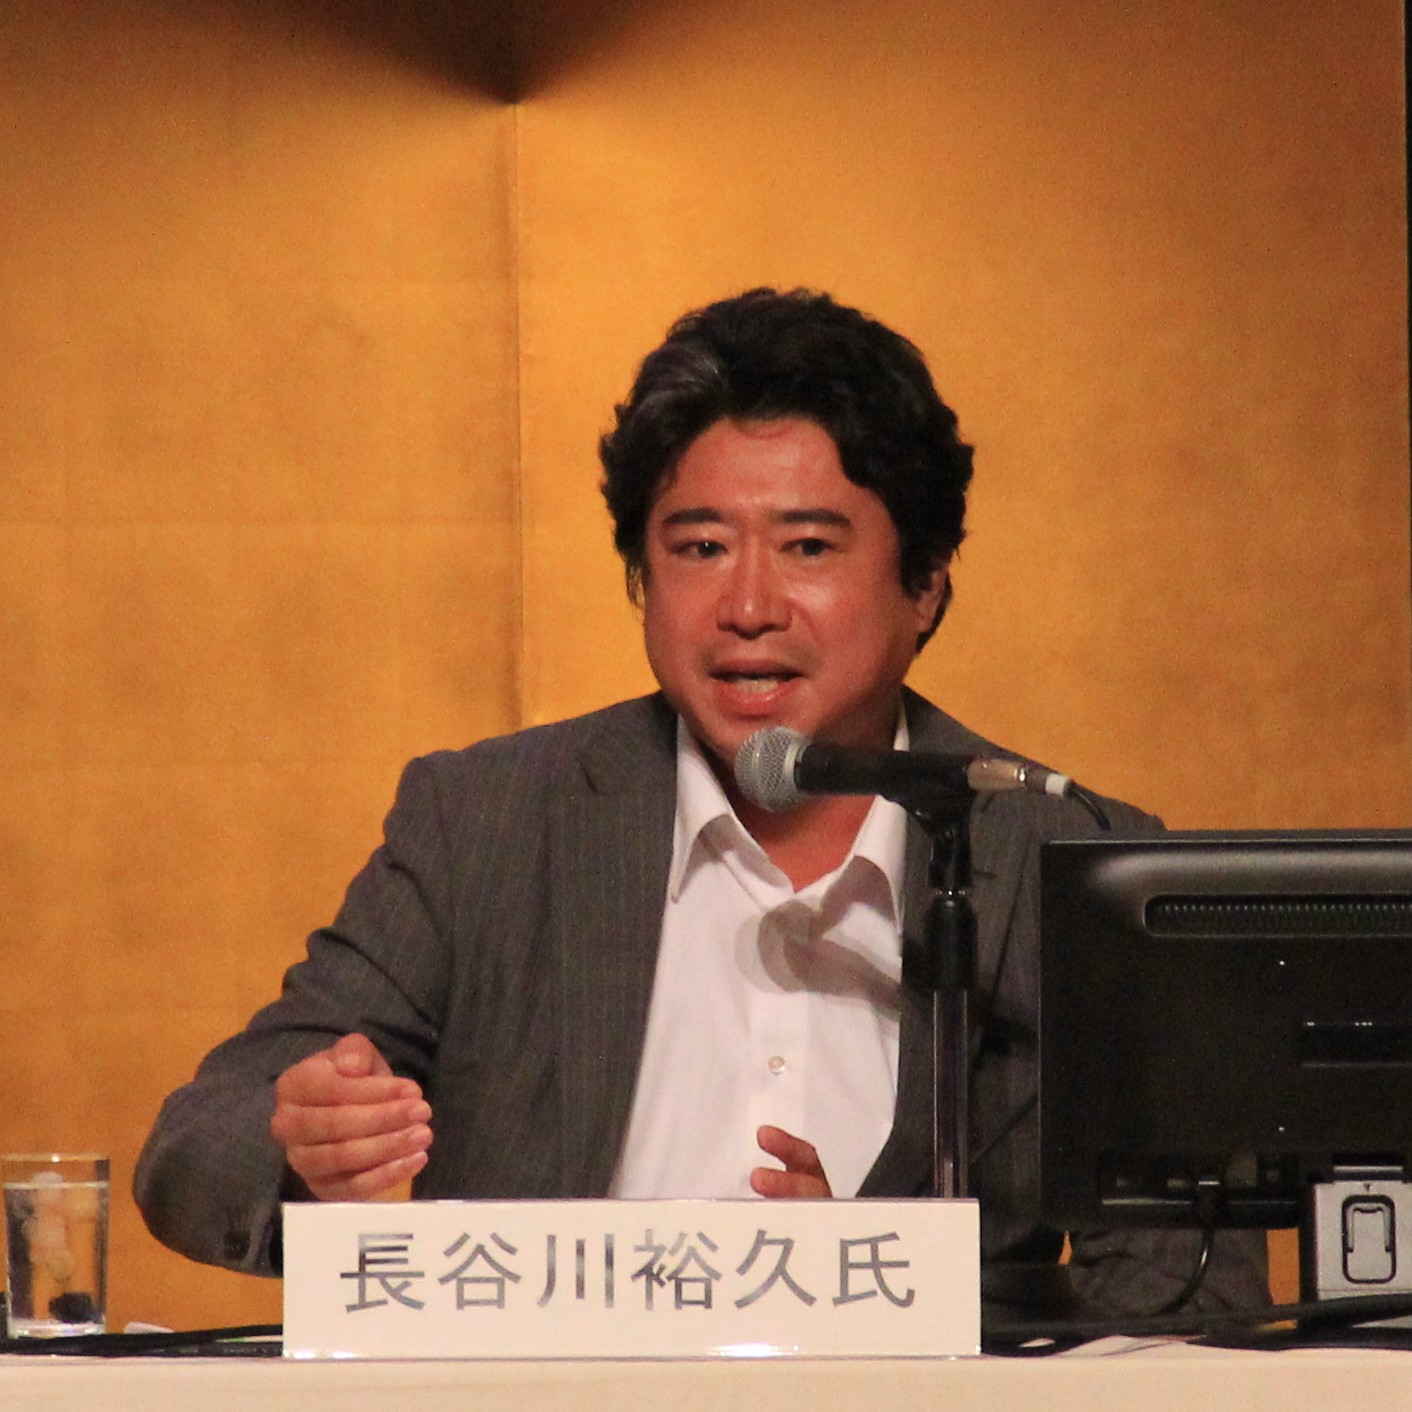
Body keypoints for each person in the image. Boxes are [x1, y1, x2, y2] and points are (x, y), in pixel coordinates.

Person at [135, 288, 1268, 1312]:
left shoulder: (1069, 862)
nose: (747, 605)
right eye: (700, 546)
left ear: (924, 586)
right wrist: (304, 1142)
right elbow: (195, 1151)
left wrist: (874, 1300)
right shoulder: (487, 822)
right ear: (641, 577)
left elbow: (1189, 1293)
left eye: (808, 545)